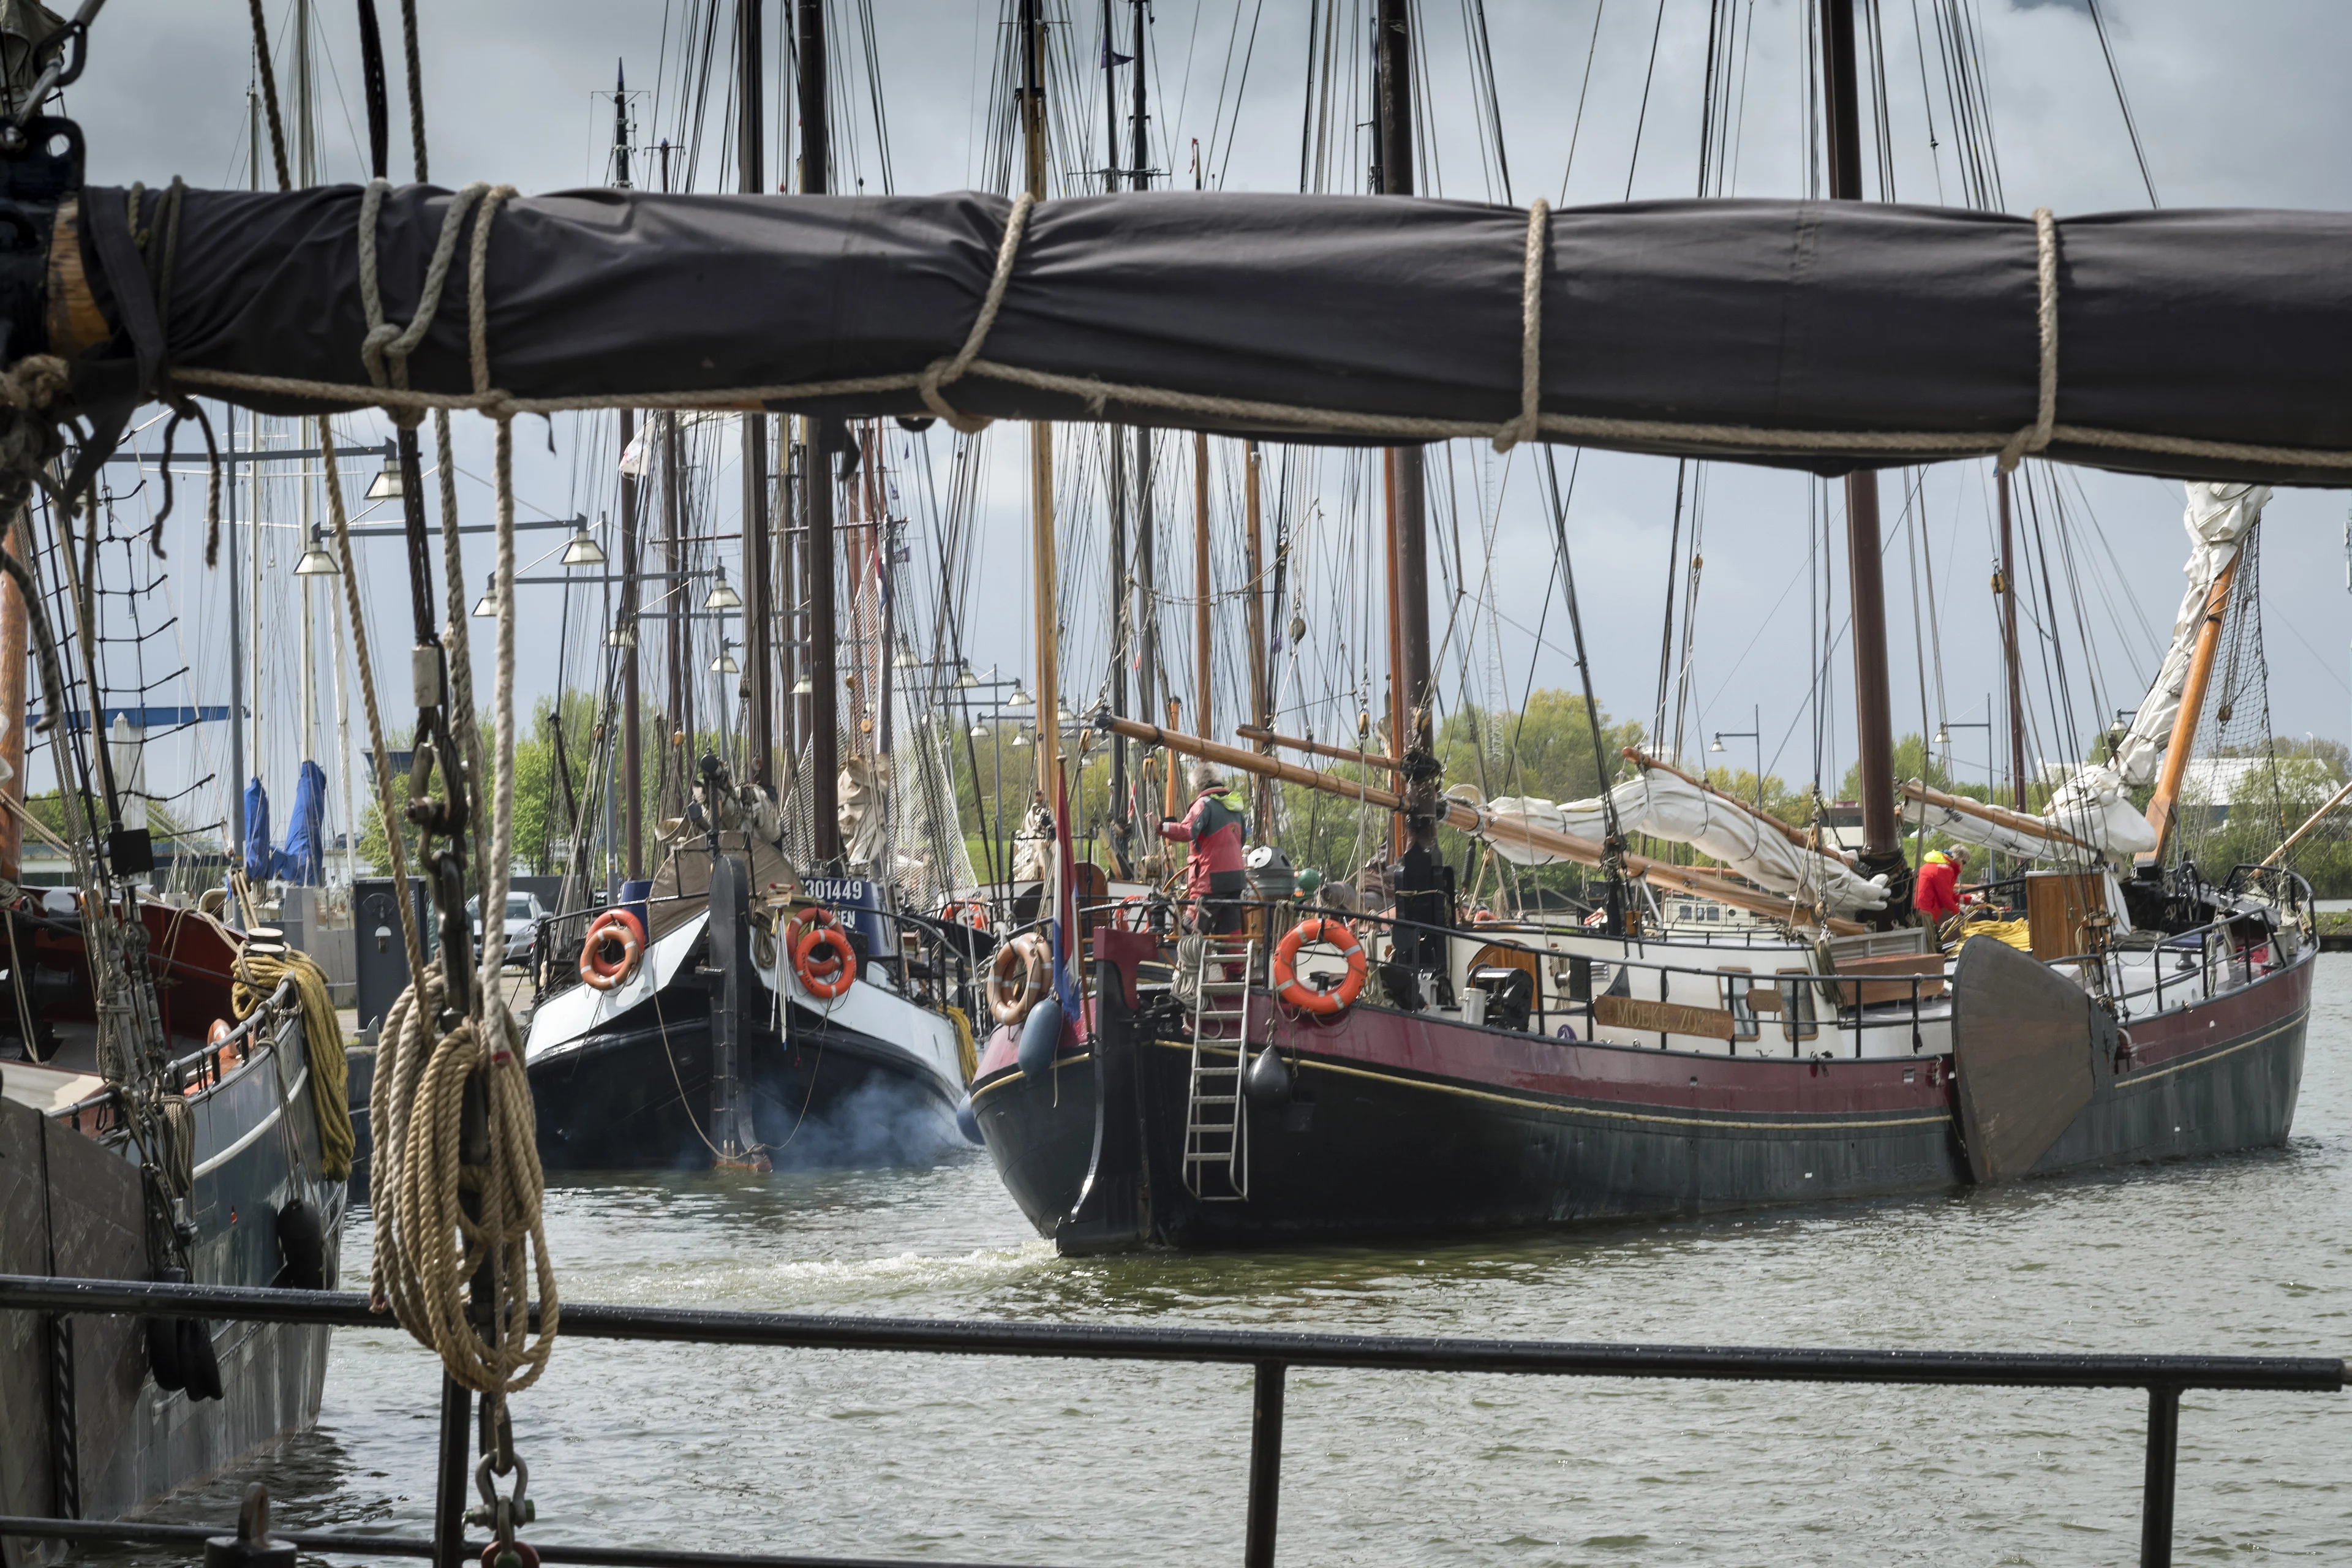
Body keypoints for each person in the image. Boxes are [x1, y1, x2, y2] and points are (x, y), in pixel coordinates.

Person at [1159, 762, 1248, 935]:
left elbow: (1186, 831)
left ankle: (1190, 961)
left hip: (1210, 881)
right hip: (1236, 879)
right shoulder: (1235, 806)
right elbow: (1241, 842)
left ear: (1198, 786)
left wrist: (1161, 827)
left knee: (1190, 929)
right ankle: (1235, 962)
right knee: (1230, 928)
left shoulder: (1203, 804)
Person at [1915, 846, 1968, 925]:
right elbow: (1946, 898)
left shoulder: (1933, 865)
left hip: (1919, 910)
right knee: (1929, 937)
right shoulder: (1944, 870)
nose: (1963, 866)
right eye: (1964, 863)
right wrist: (1959, 912)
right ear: (1959, 859)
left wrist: (1970, 899)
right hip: (1926, 913)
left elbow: (1948, 895)